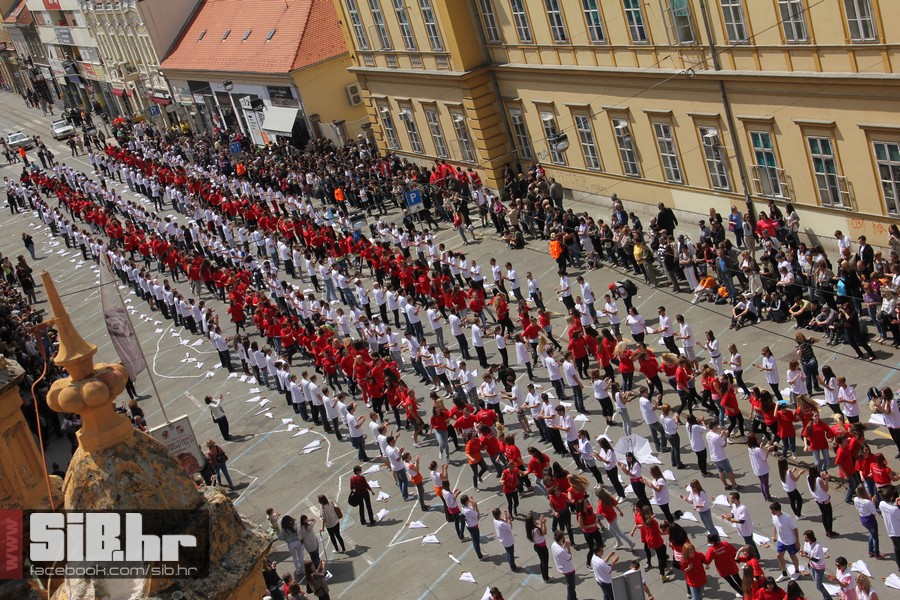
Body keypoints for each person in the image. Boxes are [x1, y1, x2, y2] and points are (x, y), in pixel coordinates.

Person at [770, 501, 801, 582]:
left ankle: (797, 572)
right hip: (781, 540)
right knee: (779, 556)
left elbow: (795, 529)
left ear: (777, 510)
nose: (771, 512)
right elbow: (775, 525)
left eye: (773, 511)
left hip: (790, 541)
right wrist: (774, 535)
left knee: (792, 556)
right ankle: (784, 574)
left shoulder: (787, 518)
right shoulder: (774, 516)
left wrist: (797, 542)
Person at [800, 529, 830, 600]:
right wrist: (803, 553)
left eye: (806, 537)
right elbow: (807, 552)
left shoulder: (818, 546)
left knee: (818, 585)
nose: (804, 539)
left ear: (810, 537)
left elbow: (817, 559)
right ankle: (825, 596)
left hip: (819, 568)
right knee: (816, 581)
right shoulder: (806, 543)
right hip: (812, 566)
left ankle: (828, 598)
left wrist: (805, 555)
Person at [551, 530, 578, 600]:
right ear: (561, 539)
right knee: (571, 586)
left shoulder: (554, 544)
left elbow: (561, 550)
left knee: (571, 585)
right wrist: (568, 547)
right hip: (568, 569)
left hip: (561, 567)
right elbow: (569, 557)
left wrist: (564, 545)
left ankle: (573, 597)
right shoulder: (562, 551)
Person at [525, 513, 550, 582]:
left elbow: (539, 528)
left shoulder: (531, 528)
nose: (535, 519)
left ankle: (544, 576)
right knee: (545, 563)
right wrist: (544, 523)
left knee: (542, 562)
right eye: (534, 519)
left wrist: (541, 522)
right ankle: (546, 578)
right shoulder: (535, 530)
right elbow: (544, 532)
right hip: (542, 548)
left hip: (537, 546)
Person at [492, 507, 520, 571]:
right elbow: (510, 526)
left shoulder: (495, 520)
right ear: (499, 514)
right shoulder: (501, 524)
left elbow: (505, 523)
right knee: (511, 554)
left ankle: (511, 564)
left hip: (503, 539)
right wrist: (509, 519)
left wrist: (506, 517)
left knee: (508, 552)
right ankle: (513, 567)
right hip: (507, 540)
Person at [460, 495, 484, 559]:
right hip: (473, 526)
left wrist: (472, 503)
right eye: (468, 500)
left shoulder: (463, 508)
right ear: (466, 501)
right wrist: (476, 507)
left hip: (469, 525)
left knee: (474, 540)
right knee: (476, 541)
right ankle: (480, 556)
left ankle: (479, 554)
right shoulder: (468, 510)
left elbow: (472, 511)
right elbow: (477, 515)